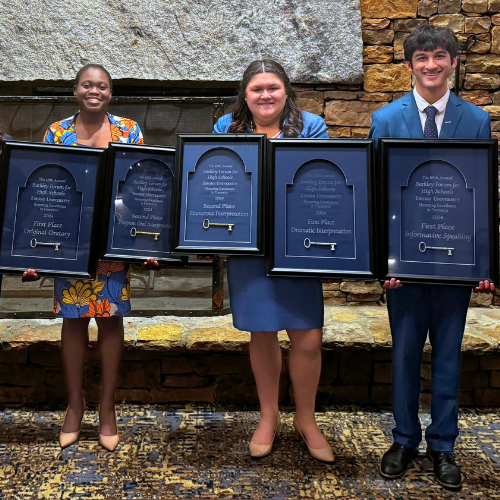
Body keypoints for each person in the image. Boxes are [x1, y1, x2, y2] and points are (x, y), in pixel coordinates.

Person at [369, 25, 495, 489]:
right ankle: (404, 439)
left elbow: (477, 194)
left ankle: (443, 445)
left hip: (455, 265)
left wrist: (481, 262)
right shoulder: (385, 119)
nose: (430, 66)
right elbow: (376, 195)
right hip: (403, 265)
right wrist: (384, 261)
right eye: (421, 58)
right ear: (408, 67)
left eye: (439, 56)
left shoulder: (476, 120)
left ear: (454, 63)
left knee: (447, 356)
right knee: (403, 354)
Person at [23, 64, 158, 451]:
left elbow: (143, 188)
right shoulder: (57, 132)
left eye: (101, 86)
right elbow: (44, 188)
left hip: (114, 241)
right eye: (87, 84)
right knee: (73, 321)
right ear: (75, 90)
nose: (94, 90)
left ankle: (107, 408)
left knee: (111, 320)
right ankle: (74, 406)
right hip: (70, 242)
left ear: (110, 93)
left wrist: (149, 244)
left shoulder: (129, 130)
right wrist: (34, 247)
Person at [213, 59, 334, 462]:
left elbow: (319, 184)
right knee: (261, 332)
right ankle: (269, 417)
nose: (266, 95)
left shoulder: (313, 126)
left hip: (299, 243)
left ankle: (306, 419)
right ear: (244, 96)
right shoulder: (225, 128)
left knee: (308, 337)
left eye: (274, 88)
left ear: (287, 92)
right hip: (249, 245)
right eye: (257, 89)